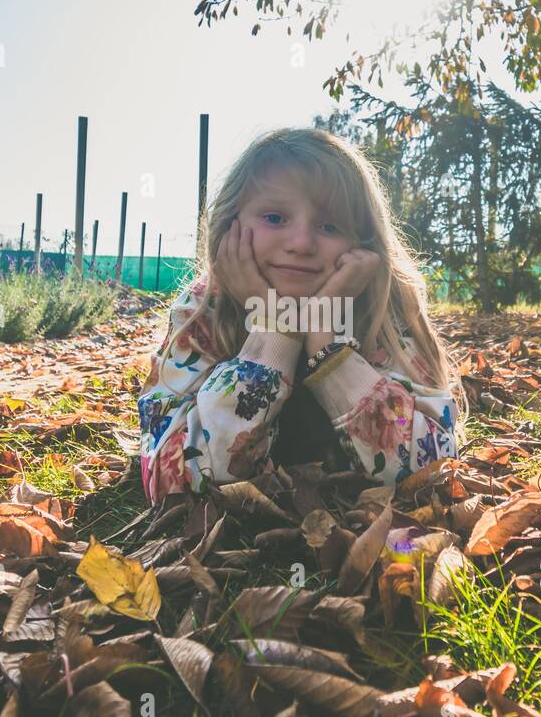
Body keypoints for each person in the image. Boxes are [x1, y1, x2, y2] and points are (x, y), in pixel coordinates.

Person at [137, 127, 461, 505]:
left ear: (363, 243)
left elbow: (433, 470)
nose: (302, 244)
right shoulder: (204, 308)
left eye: (329, 226)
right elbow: (170, 481)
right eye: (275, 218)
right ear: (230, 227)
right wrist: (275, 331)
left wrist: (329, 350)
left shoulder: (384, 311)